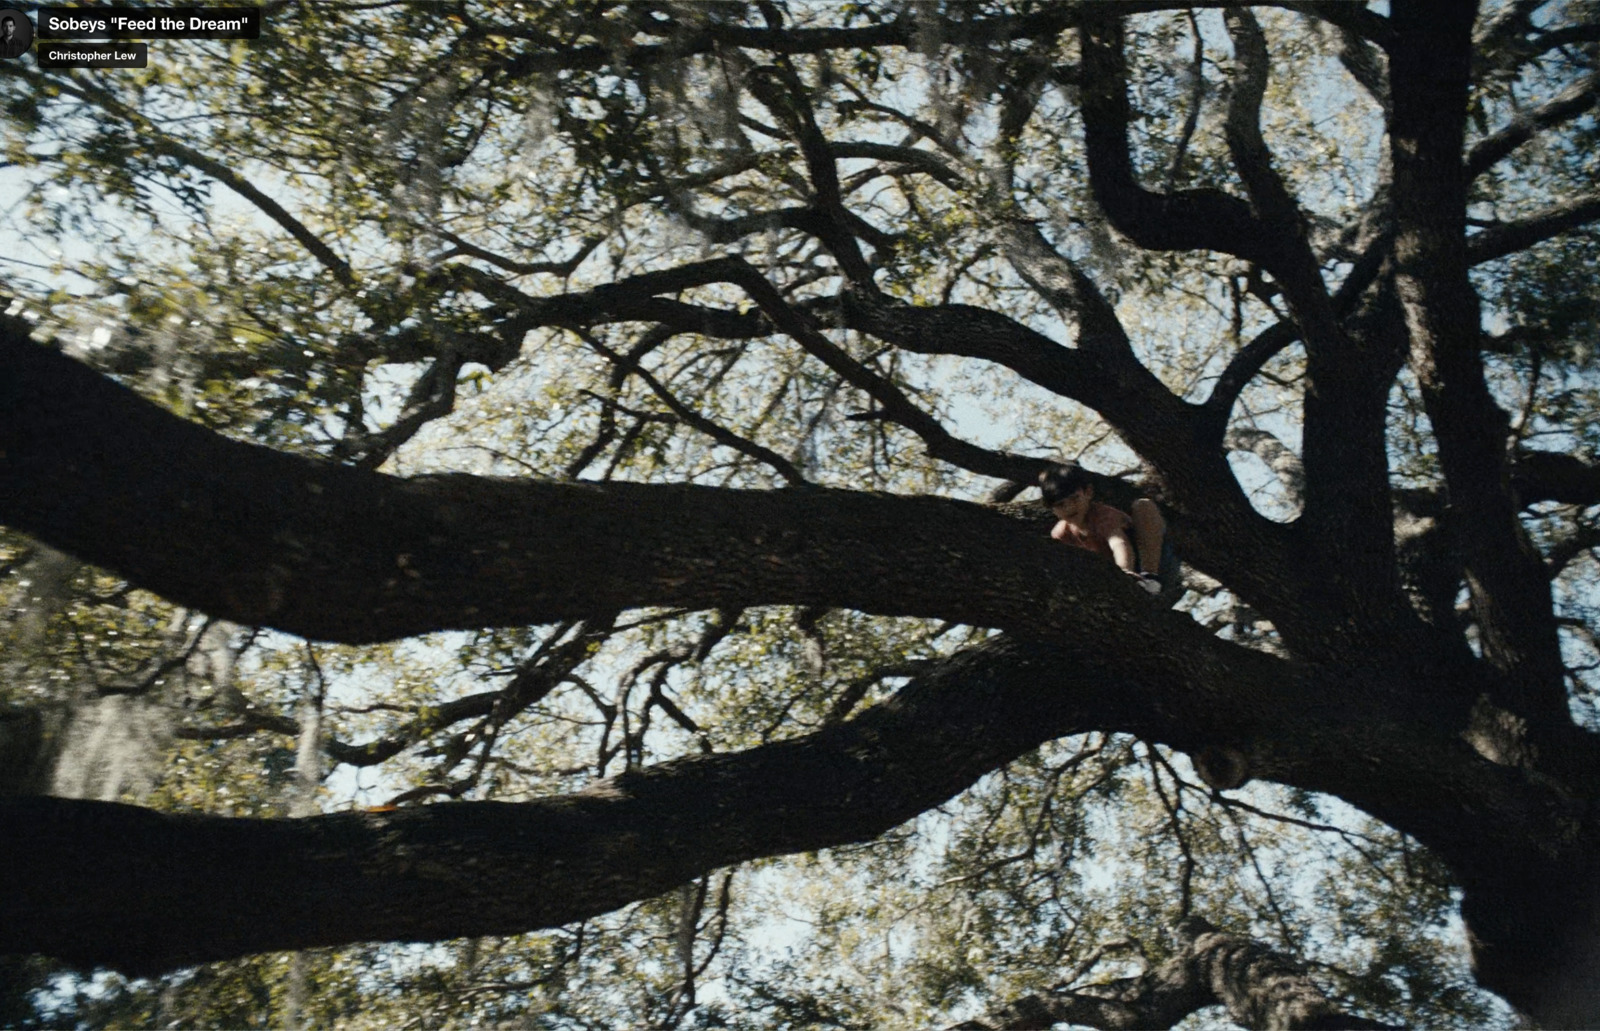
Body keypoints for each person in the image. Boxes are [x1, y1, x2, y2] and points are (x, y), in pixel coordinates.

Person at [1038, 462, 1178, 598]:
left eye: (1074, 499)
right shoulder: (1061, 534)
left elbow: (1119, 544)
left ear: (1088, 492)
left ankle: (1150, 577)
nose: (1069, 508)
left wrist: (1124, 573)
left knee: (1143, 506)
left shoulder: (1102, 515)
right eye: (1061, 505)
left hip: (1156, 566)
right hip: (1116, 575)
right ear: (1051, 508)